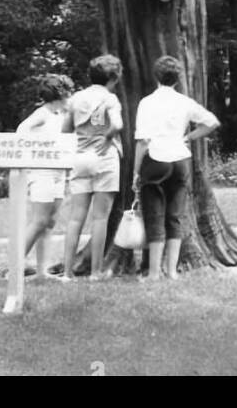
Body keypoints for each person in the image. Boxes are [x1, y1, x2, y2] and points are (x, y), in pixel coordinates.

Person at [132, 55, 220, 280]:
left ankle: (153, 273)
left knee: (154, 215)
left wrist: (136, 171)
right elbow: (211, 122)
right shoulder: (184, 102)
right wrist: (188, 137)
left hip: (155, 159)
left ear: (156, 77)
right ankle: (172, 271)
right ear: (178, 79)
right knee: (174, 216)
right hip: (180, 160)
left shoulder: (147, 103)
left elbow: (142, 141)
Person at [59, 54, 123, 280]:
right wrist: (106, 139)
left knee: (76, 217)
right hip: (104, 158)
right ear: (114, 78)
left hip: (80, 157)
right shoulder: (110, 99)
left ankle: (67, 272)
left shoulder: (76, 98)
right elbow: (117, 124)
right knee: (100, 218)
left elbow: (65, 130)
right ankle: (95, 272)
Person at [8, 73, 74, 279]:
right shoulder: (43, 113)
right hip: (42, 172)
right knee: (39, 221)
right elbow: (22, 129)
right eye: (68, 92)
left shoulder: (60, 115)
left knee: (50, 222)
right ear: (60, 94)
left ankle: (42, 272)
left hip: (58, 172)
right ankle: (14, 269)